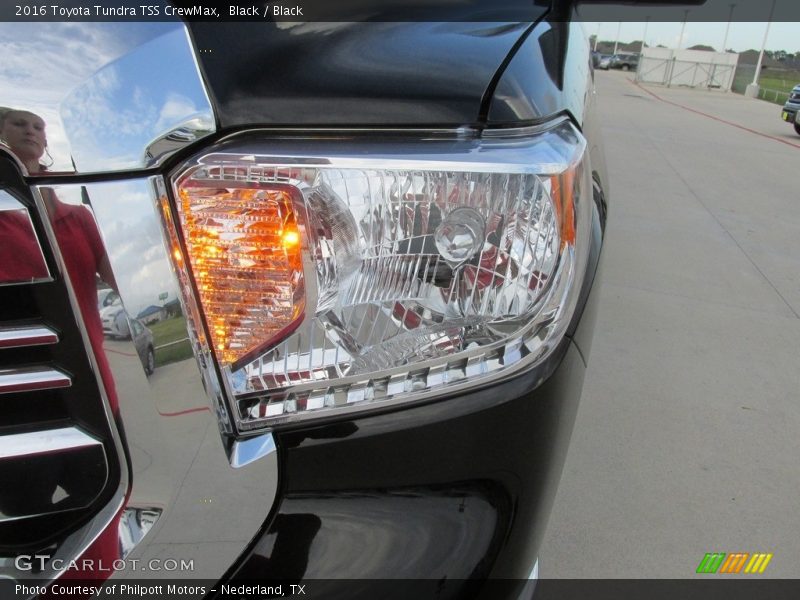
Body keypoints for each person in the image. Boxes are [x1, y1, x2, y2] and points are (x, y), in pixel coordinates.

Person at [1, 107, 123, 583]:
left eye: (38, 127)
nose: (32, 132)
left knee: (101, 501)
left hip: (87, 387)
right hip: (16, 398)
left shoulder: (77, 218)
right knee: (26, 512)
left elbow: (123, 281)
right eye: (19, 125)